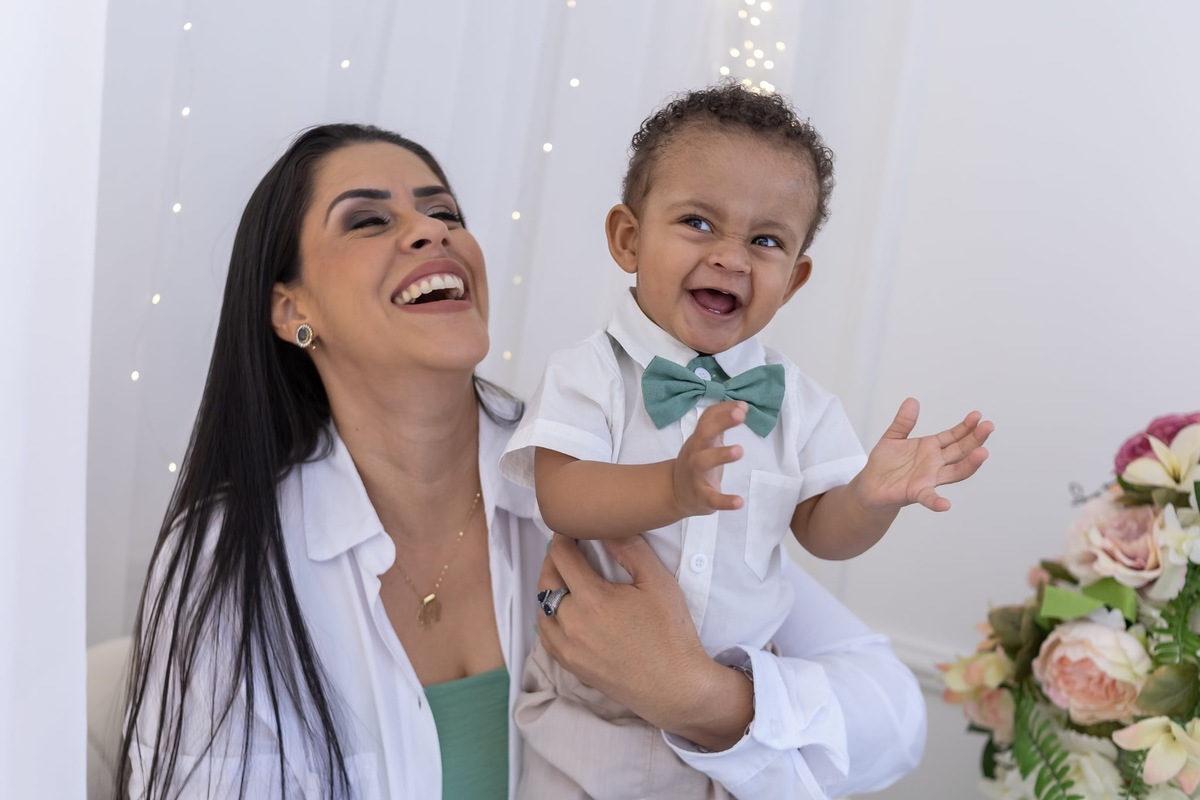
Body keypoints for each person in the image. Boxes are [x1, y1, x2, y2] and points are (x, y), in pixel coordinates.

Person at [117, 121, 926, 800]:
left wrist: (697, 696)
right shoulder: (234, 551)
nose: (431, 229)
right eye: (367, 220)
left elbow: (895, 718)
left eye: (444, 211)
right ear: (293, 309)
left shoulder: (612, 460)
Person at [502, 84, 990, 798]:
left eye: (766, 240)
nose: (732, 257)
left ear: (793, 280)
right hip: (590, 714)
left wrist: (872, 498)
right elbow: (562, 494)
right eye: (699, 222)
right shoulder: (591, 372)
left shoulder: (798, 402)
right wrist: (669, 487)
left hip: (732, 723)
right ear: (629, 238)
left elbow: (822, 533)